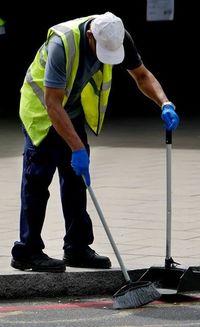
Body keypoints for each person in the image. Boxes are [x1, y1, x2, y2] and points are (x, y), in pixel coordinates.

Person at [11, 11, 179, 273]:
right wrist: (77, 148)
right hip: (41, 110)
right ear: (90, 35)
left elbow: (142, 75)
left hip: (73, 110)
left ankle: (76, 248)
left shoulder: (117, 35)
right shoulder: (62, 44)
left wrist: (164, 103)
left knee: (77, 180)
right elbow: (53, 103)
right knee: (37, 179)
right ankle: (27, 251)